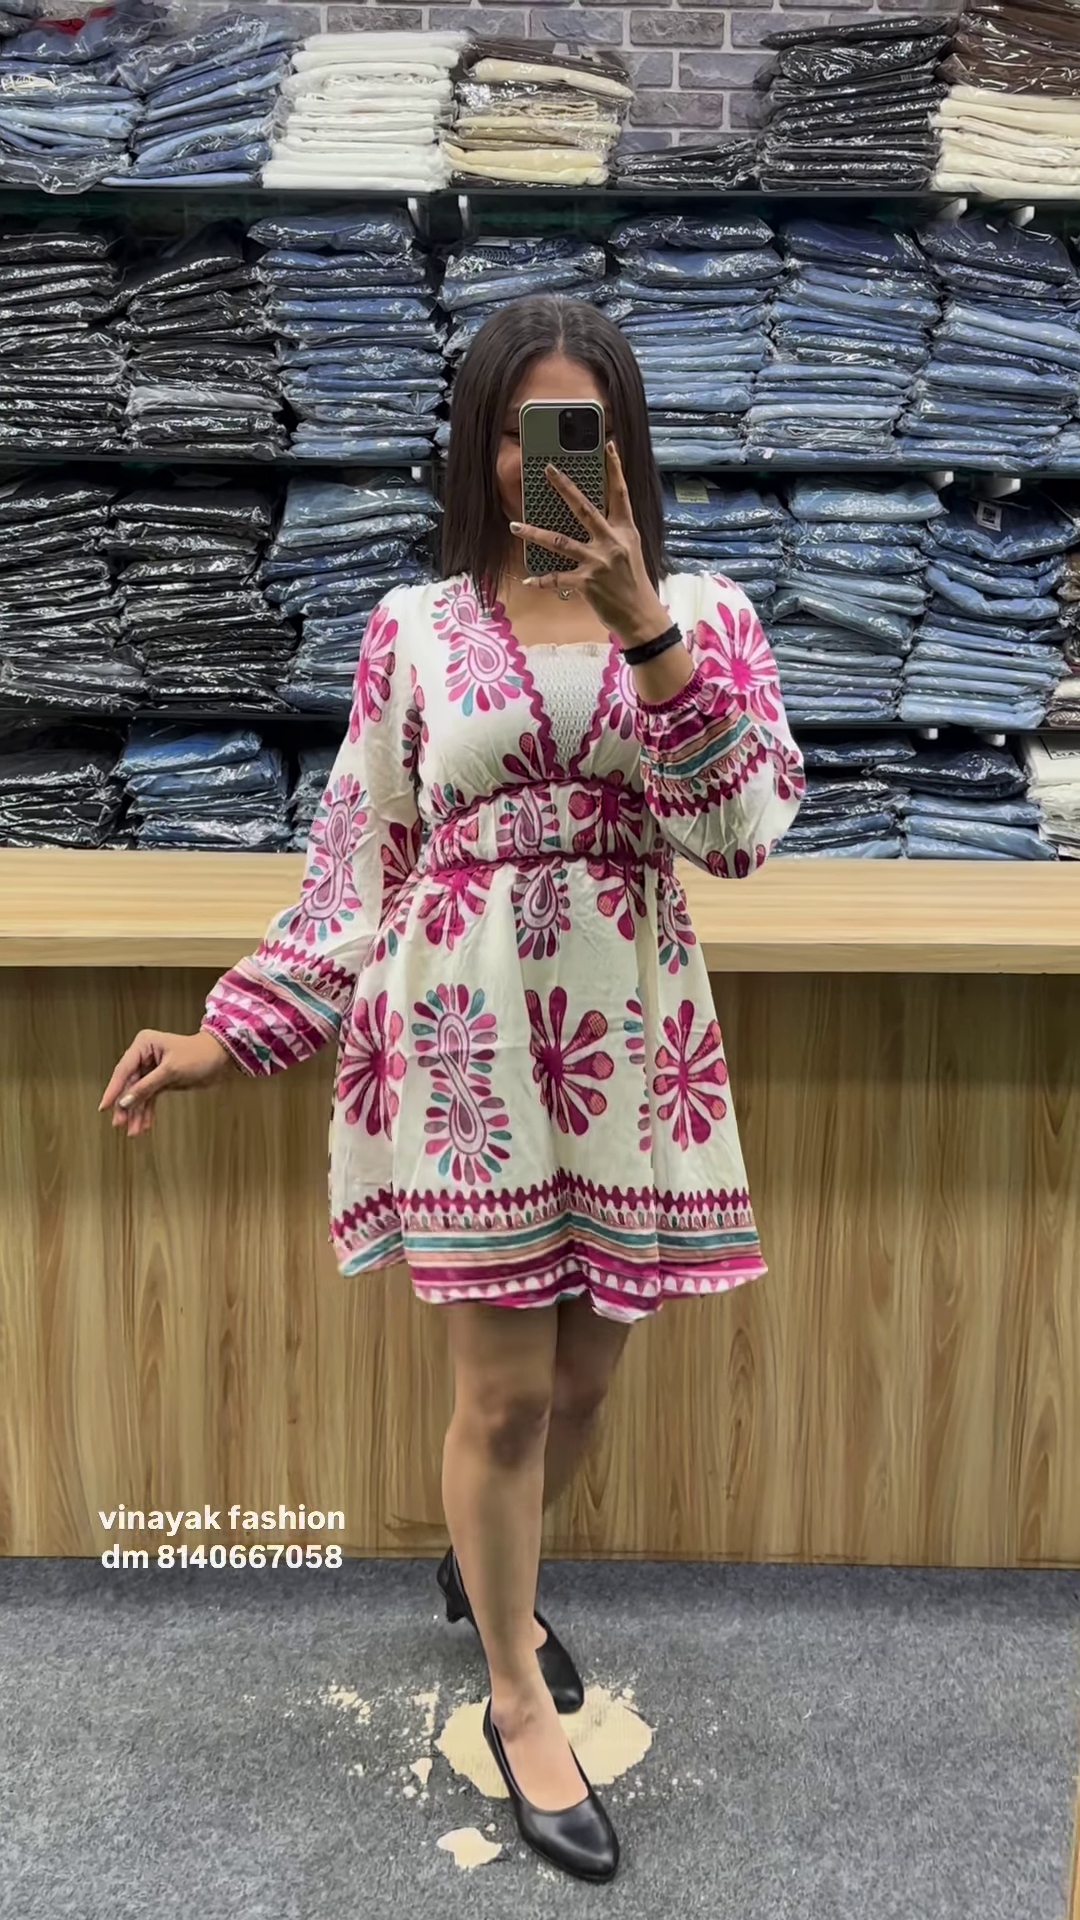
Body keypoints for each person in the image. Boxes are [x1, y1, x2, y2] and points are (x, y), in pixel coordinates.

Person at [99, 295, 805, 1885]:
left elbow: (742, 833)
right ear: (480, 444)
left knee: (583, 1391)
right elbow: (361, 862)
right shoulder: (412, 630)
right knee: (500, 1400)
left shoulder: (706, 613)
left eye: (583, 429)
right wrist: (228, 1036)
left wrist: (643, 627)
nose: (549, 461)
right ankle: (513, 1689)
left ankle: (489, 1573)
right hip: (468, 1053)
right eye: (520, 429)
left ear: (624, 442)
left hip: (627, 1051)